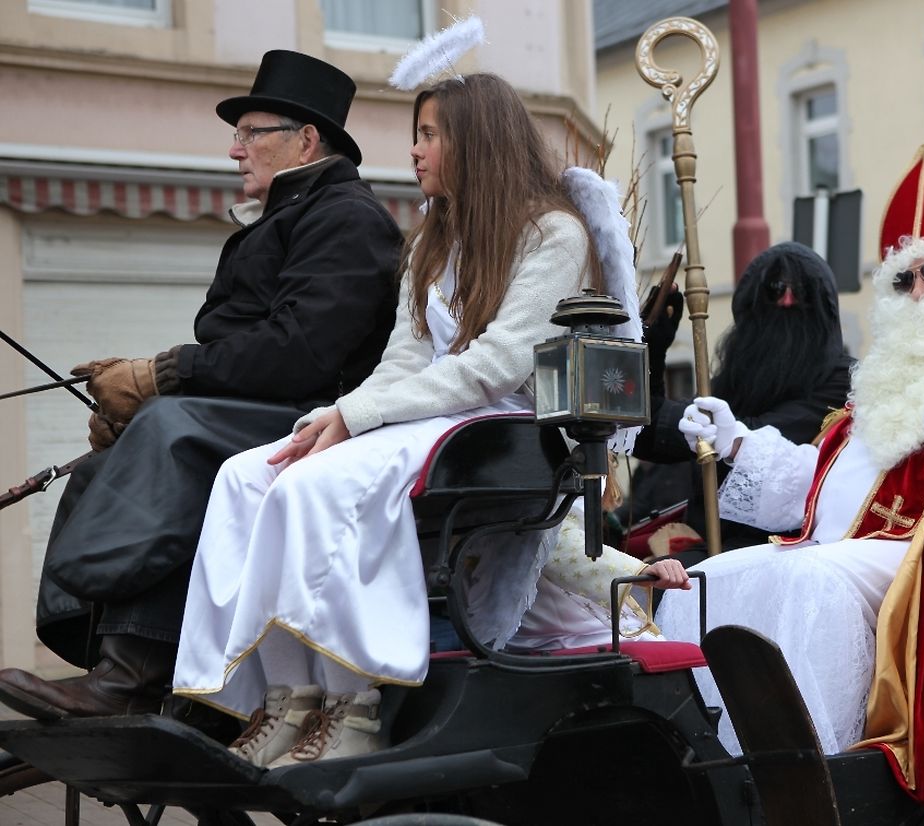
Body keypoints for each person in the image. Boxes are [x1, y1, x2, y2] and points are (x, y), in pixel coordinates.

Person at [166, 71, 689, 769]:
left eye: (429, 134)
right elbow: (402, 360)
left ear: (476, 142)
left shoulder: (554, 234)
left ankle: (352, 704)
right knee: (245, 476)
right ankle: (286, 696)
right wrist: (340, 415)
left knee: (311, 486)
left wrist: (361, 415)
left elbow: (497, 365)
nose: (414, 150)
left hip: (495, 428)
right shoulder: (430, 244)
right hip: (428, 416)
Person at [656, 145, 924, 813]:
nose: (917, 291)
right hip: (843, 549)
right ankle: (720, 759)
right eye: (901, 279)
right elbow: (822, 486)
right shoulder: (881, 381)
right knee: (708, 579)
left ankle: (819, 776)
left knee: (810, 581)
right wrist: (738, 441)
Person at [0, 50, 402, 721]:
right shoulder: (290, 215)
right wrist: (153, 390)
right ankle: (105, 660)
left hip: (318, 422)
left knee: (171, 436)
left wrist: (162, 379)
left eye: (250, 134)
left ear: (306, 140)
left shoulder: (347, 218)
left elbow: (299, 353)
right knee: (112, 458)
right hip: (268, 408)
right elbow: (242, 349)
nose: (234, 150)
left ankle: (131, 677)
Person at [623, 242, 853, 562]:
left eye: (803, 291)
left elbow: (744, 436)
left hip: (787, 554)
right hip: (712, 547)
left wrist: (695, 422)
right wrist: (652, 351)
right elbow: (648, 437)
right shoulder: (733, 382)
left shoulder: (843, 382)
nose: (787, 300)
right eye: (774, 289)